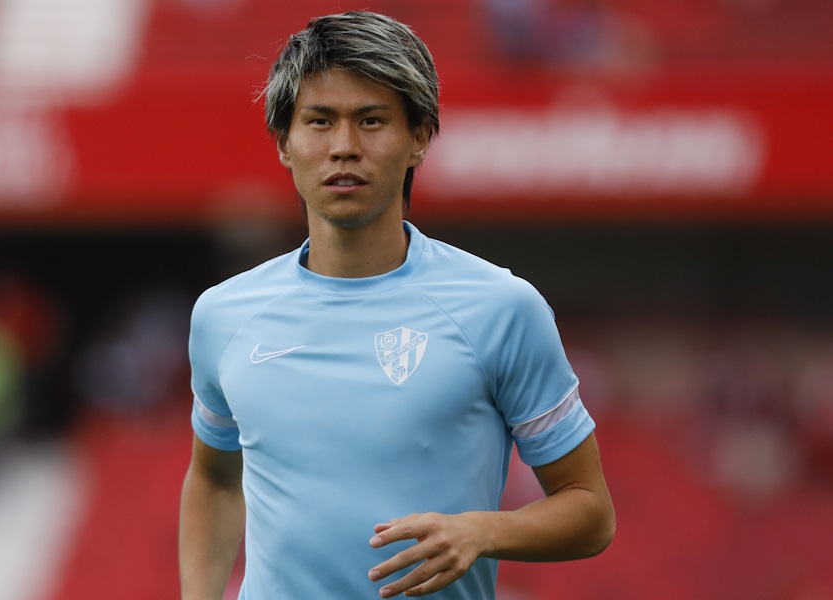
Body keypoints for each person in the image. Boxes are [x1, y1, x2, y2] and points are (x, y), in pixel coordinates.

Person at [179, 11, 614, 600]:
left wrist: (483, 531)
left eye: (372, 120)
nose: (344, 147)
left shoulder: (502, 309)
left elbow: (590, 511)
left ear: (420, 138)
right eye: (319, 121)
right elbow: (214, 478)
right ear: (284, 142)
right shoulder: (223, 315)